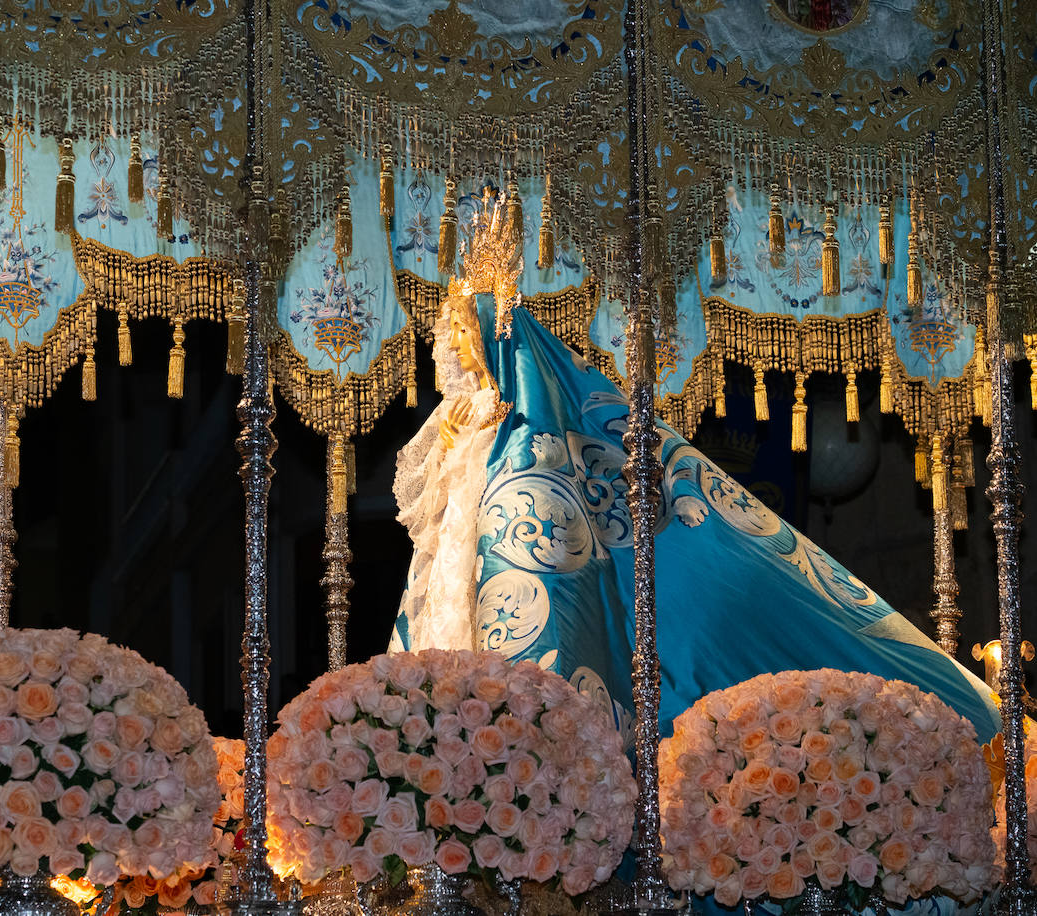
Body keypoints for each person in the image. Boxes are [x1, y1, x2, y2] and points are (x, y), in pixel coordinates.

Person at [389, 212, 999, 746]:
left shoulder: (543, 440)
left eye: (466, 334)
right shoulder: (480, 442)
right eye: (453, 339)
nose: (458, 354)